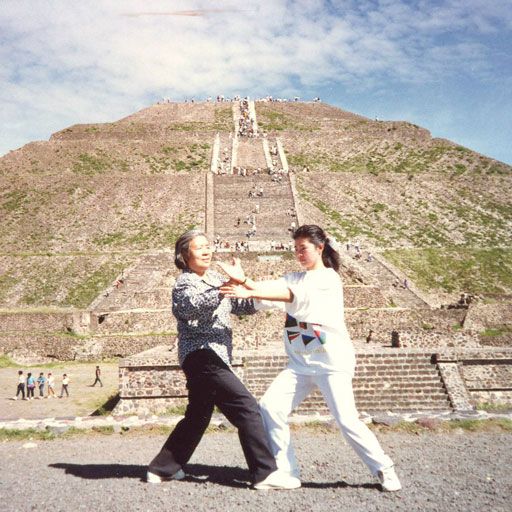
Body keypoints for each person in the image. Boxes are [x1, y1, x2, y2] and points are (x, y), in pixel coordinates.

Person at [219, 225, 402, 492]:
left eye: (303, 248)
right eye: (295, 250)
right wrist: (244, 281)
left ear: (320, 247)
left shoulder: (329, 279)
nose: (299, 254)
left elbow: (292, 296)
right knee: (270, 406)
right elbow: (267, 290)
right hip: (300, 365)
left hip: (332, 364)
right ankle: (286, 471)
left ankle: (384, 468)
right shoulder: (293, 278)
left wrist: (250, 289)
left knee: (347, 420)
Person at [146, 230, 299, 490]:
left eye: (208, 246)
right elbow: (190, 306)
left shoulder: (216, 277)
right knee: (247, 407)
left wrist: (266, 299)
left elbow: (238, 306)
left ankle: (162, 468)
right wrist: (221, 290)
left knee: (198, 416)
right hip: (202, 355)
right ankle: (264, 473)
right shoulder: (185, 283)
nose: (207, 251)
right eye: (199, 248)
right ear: (185, 255)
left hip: (215, 356)